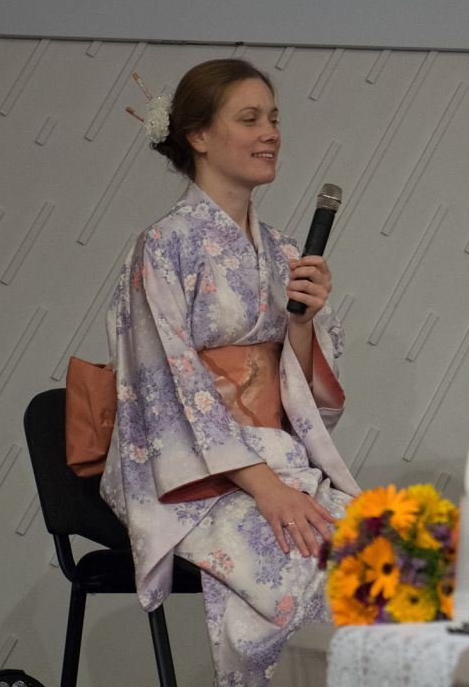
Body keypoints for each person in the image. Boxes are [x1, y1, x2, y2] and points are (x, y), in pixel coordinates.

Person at [100, 58, 360, 684]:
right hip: (194, 471)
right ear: (197, 135)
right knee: (307, 568)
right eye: (249, 119)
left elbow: (305, 399)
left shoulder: (284, 249)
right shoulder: (164, 246)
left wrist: (302, 324)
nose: (270, 133)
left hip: (276, 459)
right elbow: (166, 389)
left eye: (274, 118)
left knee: (393, 557)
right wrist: (266, 488)